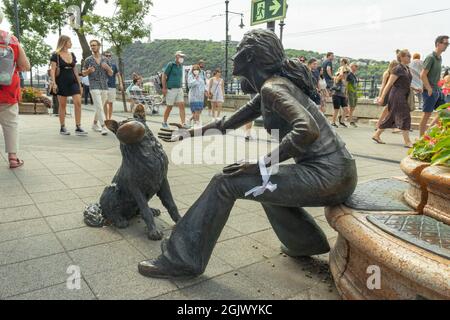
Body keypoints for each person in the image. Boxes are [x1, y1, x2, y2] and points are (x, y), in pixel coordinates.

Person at [139, 29, 357, 280]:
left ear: (250, 57)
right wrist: (188, 133)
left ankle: (182, 258)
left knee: (226, 182)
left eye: (239, 49)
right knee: (262, 185)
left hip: (329, 176)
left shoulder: (272, 89)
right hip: (339, 172)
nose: (233, 56)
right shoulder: (270, 88)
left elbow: (306, 130)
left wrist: (260, 163)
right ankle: (304, 243)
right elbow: (227, 123)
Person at [0, 14, 30, 169]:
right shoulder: (11, 40)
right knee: (10, 124)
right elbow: (25, 65)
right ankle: (13, 158)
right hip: (8, 90)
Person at [373, 49, 414, 148]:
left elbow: (406, 83)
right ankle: (407, 141)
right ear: (402, 57)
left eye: (410, 55)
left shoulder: (406, 69)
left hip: (403, 94)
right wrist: (382, 97)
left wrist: (416, 88)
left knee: (391, 117)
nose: (410, 57)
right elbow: (389, 84)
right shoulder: (397, 69)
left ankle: (376, 135)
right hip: (397, 95)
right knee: (405, 116)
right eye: (408, 55)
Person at [50, 36, 87, 136]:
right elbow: (53, 70)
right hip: (61, 81)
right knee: (62, 105)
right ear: (64, 42)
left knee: (78, 102)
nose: (71, 43)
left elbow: (75, 70)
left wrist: (79, 84)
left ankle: (78, 127)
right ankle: (62, 127)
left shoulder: (72, 54)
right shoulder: (55, 55)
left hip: (73, 81)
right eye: (69, 42)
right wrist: (54, 83)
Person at [82, 39, 113, 136]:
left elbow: (111, 73)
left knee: (99, 107)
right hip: (94, 85)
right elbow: (83, 73)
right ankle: (103, 126)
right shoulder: (88, 60)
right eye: (91, 45)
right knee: (99, 106)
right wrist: (88, 71)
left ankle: (94, 124)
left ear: (99, 46)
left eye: (94, 45)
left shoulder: (105, 59)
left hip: (104, 86)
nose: (92, 47)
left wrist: (107, 68)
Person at [419, 35, 449, 137]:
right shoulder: (430, 57)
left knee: (445, 112)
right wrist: (428, 88)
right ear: (438, 44)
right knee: (426, 115)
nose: (447, 45)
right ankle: (421, 139)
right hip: (430, 91)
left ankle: (428, 133)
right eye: (445, 43)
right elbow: (422, 74)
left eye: (447, 44)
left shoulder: (439, 58)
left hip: (438, 90)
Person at [161, 51, 189, 129]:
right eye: (181, 56)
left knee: (182, 105)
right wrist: (164, 88)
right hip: (171, 89)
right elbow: (164, 75)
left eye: (183, 57)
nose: (182, 58)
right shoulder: (171, 65)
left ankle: (183, 123)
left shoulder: (180, 66)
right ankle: (164, 122)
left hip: (179, 88)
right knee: (169, 106)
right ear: (177, 56)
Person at [375, 60, 400, 129]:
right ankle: (379, 123)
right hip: (388, 92)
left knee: (390, 109)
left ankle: (383, 124)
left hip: (393, 92)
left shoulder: (395, 73)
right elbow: (383, 84)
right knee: (388, 108)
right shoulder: (387, 73)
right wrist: (380, 95)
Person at [104, 51, 123, 121]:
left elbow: (118, 75)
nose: (108, 57)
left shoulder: (114, 65)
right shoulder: (102, 65)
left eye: (109, 56)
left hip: (112, 86)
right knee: (105, 103)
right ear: (104, 56)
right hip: (104, 87)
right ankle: (106, 118)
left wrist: (120, 83)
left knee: (110, 103)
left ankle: (109, 118)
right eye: (106, 56)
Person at [346, 63, 359, 127]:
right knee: (351, 106)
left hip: (354, 92)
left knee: (353, 106)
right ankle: (350, 120)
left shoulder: (354, 75)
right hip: (350, 92)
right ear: (351, 67)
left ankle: (349, 118)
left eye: (357, 66)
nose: (356, 67)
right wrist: (346, 92)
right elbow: (346, 83)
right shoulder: (349, 75)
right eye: (355, 66)